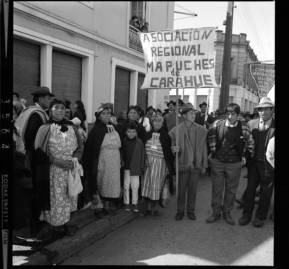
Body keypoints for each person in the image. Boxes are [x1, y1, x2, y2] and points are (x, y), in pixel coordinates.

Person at [34, 99, 83, 239]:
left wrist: (75, 160)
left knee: (69, 197)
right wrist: (55, 160)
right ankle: (53, 226)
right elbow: (38, 151)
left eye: (63, 108)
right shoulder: (44, 128)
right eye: (57, 108)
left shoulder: (72, 127)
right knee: (55, 198)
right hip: (53, 171)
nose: (60, 110)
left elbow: (80, 147)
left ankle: (65, 224)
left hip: (71, 169)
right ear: (50, 110)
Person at [14, 86, 54, 237]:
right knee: (37, 192)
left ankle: (36, 226)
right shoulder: (37, 115)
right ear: (40, 98)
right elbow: (32, 140)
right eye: (47, 97)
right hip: (35, 160)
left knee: (36, 192)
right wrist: (44, 153)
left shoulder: (32, 112)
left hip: (32, 158)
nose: (49, 100)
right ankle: (36, 229)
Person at [206, 103, 254, 225]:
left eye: (233, 114)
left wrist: (245, 157)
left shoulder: (244, 127)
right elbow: (210, 136)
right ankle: (215, 212)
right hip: (218, 162)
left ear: (238, 115)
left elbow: (251, 143)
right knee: (217, 189)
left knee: (231, 190)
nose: (230, 116)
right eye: (228, 113)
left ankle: (227, 213)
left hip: (234, 164)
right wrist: (213, 151)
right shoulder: (218, 124)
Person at [239, 97, 275, 228]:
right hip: (253, 163)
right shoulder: (251, 124)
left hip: (269, 165)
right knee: (250, 189)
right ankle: (246, 214)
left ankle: (261, 216)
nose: (263, 112)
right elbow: (245, 142)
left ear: (272, 110)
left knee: (266, 192)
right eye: (260, 109)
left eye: (266, 109)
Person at [82, 104, 122, 218]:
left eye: (108, 113)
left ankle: (107, 205)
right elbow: (90, 149)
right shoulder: (95, 130)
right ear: (99, 116)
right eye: (103, 114)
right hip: (101, 161)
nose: (106, 116)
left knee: (110, 183)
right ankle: (98, 207)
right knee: (99, 182)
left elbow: (120, 144)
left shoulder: (113, 127)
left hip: (114, 161)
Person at [169, 103, 208, 221]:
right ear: (184, 115)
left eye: (194, 113)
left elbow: (204, 148)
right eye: (191, 113)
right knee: (181, 191)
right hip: (182, 163)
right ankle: (180, 211)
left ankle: (191, 211)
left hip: (195, 164)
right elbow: (173, 149)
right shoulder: (176, 130)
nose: (193, 115)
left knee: (193, 190)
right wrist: (174, 150)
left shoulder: (201, 130)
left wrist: (204, 164)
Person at [142, 115, 175, 216]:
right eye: (155, 121)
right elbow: (143, 150)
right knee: (147, 185)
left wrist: (174, 152)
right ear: (152, 123)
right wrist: (144, 161)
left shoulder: (166, 136)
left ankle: (155, 208)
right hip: (148, 164)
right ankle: (147, 208)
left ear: (162, 123)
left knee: (157, 186)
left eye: (159, 121)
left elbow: (169, 153)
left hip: (160, 164)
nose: (157, 123)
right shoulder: (147, 135)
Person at [122, 122, 145, 213]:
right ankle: (126, 203)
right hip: (126, 168)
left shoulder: (139, 142)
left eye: (133, 132)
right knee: (126, 186)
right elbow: (122, 154)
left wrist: (142, 166)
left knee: (135, 186)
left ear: (136, 133)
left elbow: (143, 154)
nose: (131, 134)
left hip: (136, 168)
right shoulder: (124, 141)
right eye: (129, 132)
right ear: (126, 132)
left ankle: (135, 203)